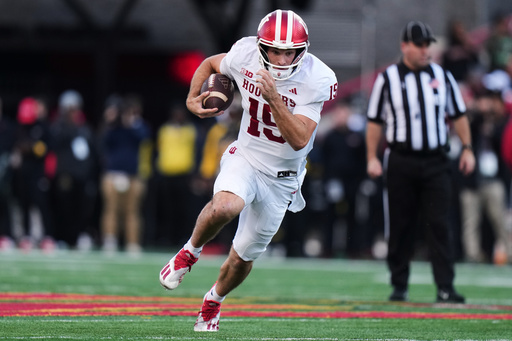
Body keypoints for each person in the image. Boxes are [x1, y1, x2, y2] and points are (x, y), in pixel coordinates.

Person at [159, 9, 337, 332]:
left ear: (302, 51)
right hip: (247, 156)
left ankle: (213, 300)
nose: (282, 59)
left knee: (242, 257)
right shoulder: (244, 54)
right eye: (275, 50)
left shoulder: (317, 79)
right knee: (228, 204)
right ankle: (189, 252)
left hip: (283, 178)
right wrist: (191, 97)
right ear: (261, 46)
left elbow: (299, 139)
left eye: (289, 52)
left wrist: (273, 97)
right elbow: (211, 63)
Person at [365, 21, 475, 303]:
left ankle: (445, 287)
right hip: (401, 159)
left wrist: (467, 148)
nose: (426, 50)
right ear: (405, 46)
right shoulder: (387, 78)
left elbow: (459, 114)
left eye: (428, 44)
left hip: (436, 160)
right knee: (401, 224)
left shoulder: (442, 76)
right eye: (420, 44)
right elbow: (374, 121)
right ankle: (399, 284)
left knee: (440, 224)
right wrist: (372, 157)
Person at [99, 94, 151, 255]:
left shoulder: (138, 126)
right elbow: (103, 141)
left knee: (132, 211)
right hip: (112, 174)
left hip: (133, 176)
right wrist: (110, 121)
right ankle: (109, 240)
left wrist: (132, 122)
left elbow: (144, 137)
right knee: (111, 209)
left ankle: (132, 243)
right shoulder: (113, 127)